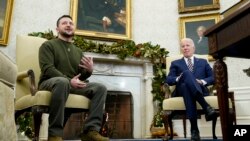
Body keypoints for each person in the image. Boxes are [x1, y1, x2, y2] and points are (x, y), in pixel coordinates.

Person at [38, 15, 109, 141]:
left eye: (71, 23)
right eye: (64, 23)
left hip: (70, 85)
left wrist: (88, 71)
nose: (68, 25)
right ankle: (54, 135)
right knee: (62, 82)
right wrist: (69, 81)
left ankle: (90, 131)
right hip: (50, 83)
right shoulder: (48, 45)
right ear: (57, 29)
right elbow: (47, 69)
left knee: (100, 88)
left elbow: (79, 75)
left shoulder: (78, 51)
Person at [165, 38, 218, 141]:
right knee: (186, 73)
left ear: (193, 47)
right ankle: (206, 106)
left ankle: (194, 130)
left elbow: (213, 78)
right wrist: (178, 78)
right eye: (183, 46)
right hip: (180, 91)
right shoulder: (175, 63)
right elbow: (169, 79)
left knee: (186, 87)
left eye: (187, 45)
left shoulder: (203, 62)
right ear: (181, 49)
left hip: (199, 89)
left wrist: (201, 82)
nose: (185, 48)